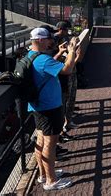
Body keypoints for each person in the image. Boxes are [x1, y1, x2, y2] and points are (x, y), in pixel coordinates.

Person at [28, 27, 77, 191]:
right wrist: (71, 51)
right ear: (41, 40)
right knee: (50, 144)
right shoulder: (43, 59)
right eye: (48, 39)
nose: (51, 41)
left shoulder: (32, 55)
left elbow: (48, 67)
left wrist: (60, 53)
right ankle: (51, 181)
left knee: (41, 141)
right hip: (49, 108)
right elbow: (67, 69)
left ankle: (43, 175)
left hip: (39, 107)